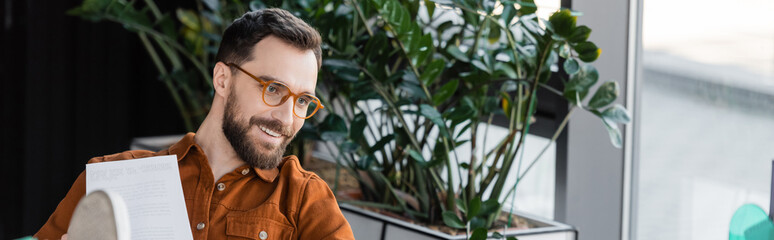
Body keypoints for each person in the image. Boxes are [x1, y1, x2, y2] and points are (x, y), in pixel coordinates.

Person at [34, 8, 354, 240]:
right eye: (273, 89)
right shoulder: (112, 178)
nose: (287, 118)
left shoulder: (304, 200)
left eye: (302, 101)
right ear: (223, 79)